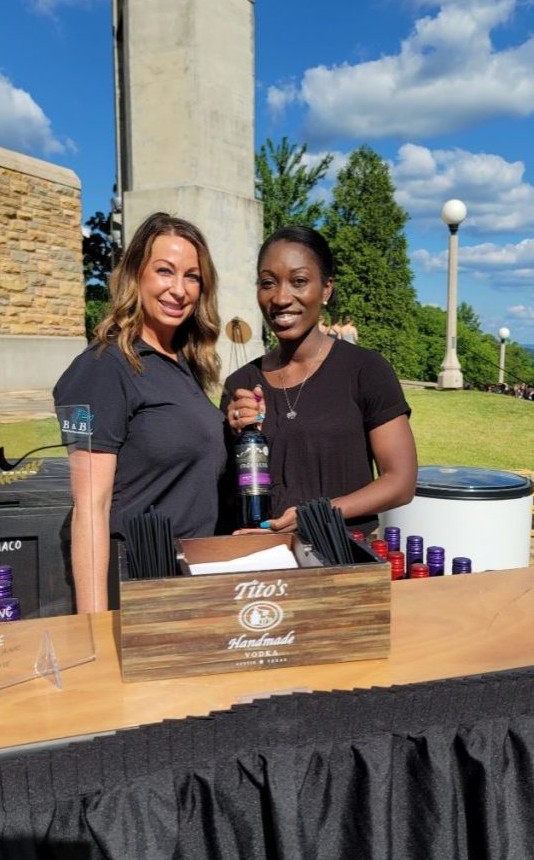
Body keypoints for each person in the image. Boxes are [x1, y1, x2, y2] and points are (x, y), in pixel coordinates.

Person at [54, 212, 225, 611]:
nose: (179, 290)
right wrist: (93, 626)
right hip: (139, 584)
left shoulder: (181, 361)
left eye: (192, 276)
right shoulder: (103, 367)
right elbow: (90, 508)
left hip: (188, 576)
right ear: (135, 275)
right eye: (164, 271)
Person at [222, 225, 417, 535]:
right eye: (268, 283)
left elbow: (401, 482)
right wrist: (235, 433)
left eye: (299, 281)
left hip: (343, 557)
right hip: (262, 563)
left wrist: (316, 514)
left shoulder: (365, 369)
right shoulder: (241, 383)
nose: (281, 297)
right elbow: (229, 491)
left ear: (326, 289)